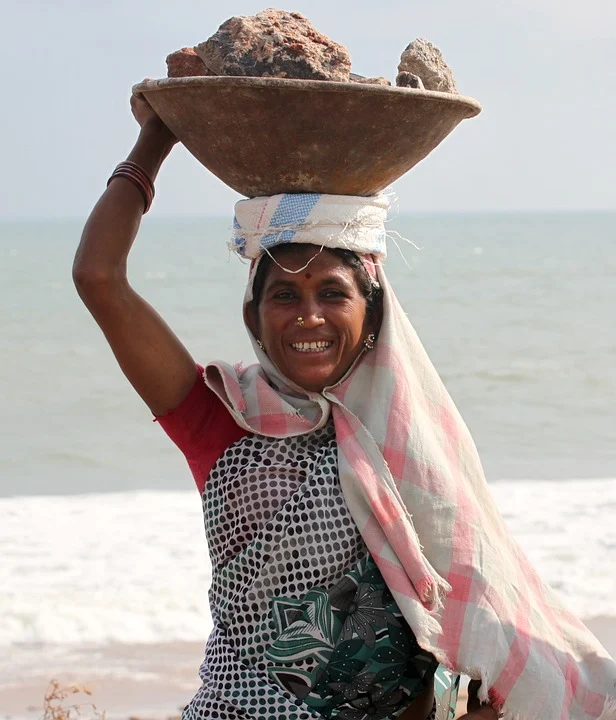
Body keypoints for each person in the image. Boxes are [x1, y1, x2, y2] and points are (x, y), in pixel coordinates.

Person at [74, 91, 616, 720]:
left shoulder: (410, 442)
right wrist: (158, 139)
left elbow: (460, 618)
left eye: (332, 292)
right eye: (284, 295)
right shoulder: (220, 416)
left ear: (371, 312)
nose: (308, 315)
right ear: (253, 313)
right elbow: (99, 278)